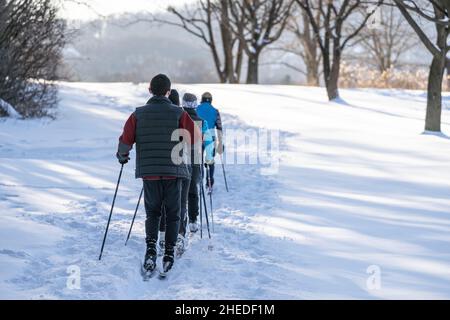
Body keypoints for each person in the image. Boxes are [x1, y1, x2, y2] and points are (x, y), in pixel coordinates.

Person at [116, 75, 201, 275]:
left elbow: (125, 140)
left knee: (153, 212)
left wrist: (122, 156)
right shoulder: (179, 113)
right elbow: (195, 138)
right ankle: (169, 252)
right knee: (173, 213)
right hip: (174, 171)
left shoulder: (138, 114)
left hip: (150, 172)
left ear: (150, 90)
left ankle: (151, 248)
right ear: (168, 91)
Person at [158, 89, 190, 257]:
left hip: (162, 167)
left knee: (164, 203)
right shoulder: (181, 116)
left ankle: (163, 235)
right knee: (180, 203)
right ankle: (179, 235)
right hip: (183, 167)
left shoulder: (162, 118)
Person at [181, 93, 213, 233]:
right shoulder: (202, 122)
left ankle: (181, 217)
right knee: (193, 189)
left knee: (180, 190)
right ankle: (193, 219)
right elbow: (209, 143)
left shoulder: (178, 118)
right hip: (195, 160)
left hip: (179, 159)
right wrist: (208, 159)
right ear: (195, 105)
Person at [196, 92, 224, 192]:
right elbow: (219, 127)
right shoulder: (215, 111)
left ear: (202, 99)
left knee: (198, 161)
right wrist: (221, 143)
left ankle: (199, 181)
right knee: (210, 160)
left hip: (198, 138)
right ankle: (209, 182)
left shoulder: (196, 109)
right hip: (210, 138)